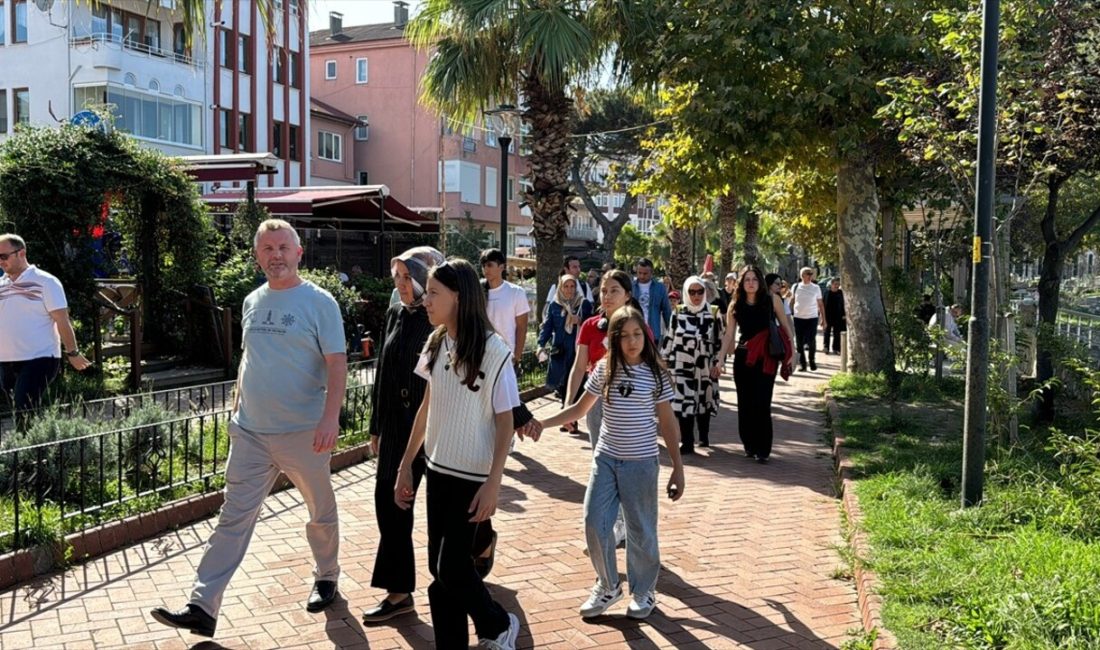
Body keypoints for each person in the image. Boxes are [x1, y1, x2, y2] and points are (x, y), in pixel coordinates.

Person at [151, 220, 347, 637]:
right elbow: (249, 360)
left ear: (298, 253)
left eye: (282, 247)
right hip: (252, 434)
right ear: (257, 256)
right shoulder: (252, 301)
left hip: (303, 432)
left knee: (319, 511)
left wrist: (331, 417)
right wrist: (237, 410)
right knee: (232, 519)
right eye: (266, 249)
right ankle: (202, 605)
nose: (275, 255)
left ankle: (327, 575)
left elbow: (336, 363)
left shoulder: (320, 302)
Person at [395, 259, 524, 649]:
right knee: (440, 572)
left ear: (458, 296)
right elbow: (427, 406)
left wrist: (494, 482)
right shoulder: (436, 342)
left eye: (434, 292)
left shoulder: (494, 350)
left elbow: (506, 421)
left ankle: (498, 624)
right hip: (437, 469)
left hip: (473, 475)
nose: (425, 298)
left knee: (451, 567)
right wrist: (406, 466)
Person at [537, 306, 685, 620]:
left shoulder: (655, 373)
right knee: (594, 521)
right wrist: (542, 424)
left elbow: (668, 423)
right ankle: (608, 585)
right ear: (613, 340)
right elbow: (579, 409)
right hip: (605, 459)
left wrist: (678, 467)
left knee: (641, 531)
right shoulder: (604, 369)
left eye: (637, 335)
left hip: (641, 463)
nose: (632, 342)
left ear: (645, 336)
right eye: (624, 336)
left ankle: (644, 592)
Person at [361, 246, 444, 624]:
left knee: (445, 510)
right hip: (397, 425)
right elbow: (383, 367)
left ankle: (466, 566)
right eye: (396, 277)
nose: (401, 285)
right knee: (390, 505)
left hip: (435, 427)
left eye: (407, 277)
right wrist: (376, 425)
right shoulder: (396, 310)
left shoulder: (440, 316)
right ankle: (399, 592)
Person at [566, 269, 645, 549]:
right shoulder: (590, 326)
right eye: (603, 290)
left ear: (627, 295)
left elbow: (648, 372)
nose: (607, 296)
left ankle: (622, 525)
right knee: (601, 465)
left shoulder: (637, 328)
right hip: (595, 404)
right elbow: (578, 367)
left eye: (614, 290)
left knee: (623, 467)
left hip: (627, 407)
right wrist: (569, 404)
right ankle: (606, 526)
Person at [0, 234, 92, 417]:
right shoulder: (1, 285)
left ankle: (30, 445)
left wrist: (72, 352)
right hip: (6, 360)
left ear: (21, 253)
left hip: (39, 357)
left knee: (24, 408)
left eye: (3, 256)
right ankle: (40, 441)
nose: (0, 262)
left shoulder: (46, 282)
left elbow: (62, 320)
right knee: (20, 409)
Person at [718, 266, 795, 463]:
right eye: (747, 280)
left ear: (760, 282)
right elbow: (729, 334)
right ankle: (749, 445)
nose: (751, 283)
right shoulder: (735, 304)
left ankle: (763, 449)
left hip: (766, 358)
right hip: (743, 358)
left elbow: (785, 326)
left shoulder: (772, 300)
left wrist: (793, 352)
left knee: (762, 402)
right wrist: (719, 359)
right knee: (745, 403)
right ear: (741, 284)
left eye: (754, 279)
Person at [661, 276, 723, 454]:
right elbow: (669, 337)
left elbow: (720, 340)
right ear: (686, 293)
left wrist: (718, 362)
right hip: (680, 365)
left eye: (700, 291)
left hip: (705, 365)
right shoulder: (678, 312)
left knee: (704, 400)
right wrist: (664, 360)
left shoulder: (713, 312)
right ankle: (687, 441)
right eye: (692, 292)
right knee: (683, 403)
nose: (696, 295)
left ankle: (704, 435)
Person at [538, 274, 593, 433]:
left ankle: (570, 419)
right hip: (559, 349)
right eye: (566, 286)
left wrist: (580, 320)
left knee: (574, 381)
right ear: (561, 287)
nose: (569, 290)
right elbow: (547, 326)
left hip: (577, 350)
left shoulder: (583, 304)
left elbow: (591, 325)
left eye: (572, 286)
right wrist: (541, 344)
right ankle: (567, 415)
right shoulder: (555, 305)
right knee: (561, 385)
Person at [480, 249, 530, 365]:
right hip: (482, 357)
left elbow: (522, 328)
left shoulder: (516, 292)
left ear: (501, 267)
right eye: (483, 265)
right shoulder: (478, 291)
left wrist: (516, 357)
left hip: (507, 357)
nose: (486, 269)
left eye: (489, 265)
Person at [791, 267, 826, 372]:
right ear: (802, 275)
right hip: (798, 318)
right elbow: (792, 301)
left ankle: (812, 361)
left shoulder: (816, 288)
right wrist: (786, 314)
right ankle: (803, 364)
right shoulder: (796, 287)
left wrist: (823, 318)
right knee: (799, 342)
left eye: (811, 274)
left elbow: (820, 304)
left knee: (811, 341)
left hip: (812, 318)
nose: (810, 275)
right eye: (808, 274)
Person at [632, 258, 672, 338]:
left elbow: (666, 311)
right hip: (633, 331)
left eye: (645, 273)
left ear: (651, 273)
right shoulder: (630, 286)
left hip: (653, 332)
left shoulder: (660, 288)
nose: (642, 276)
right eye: (639, 273)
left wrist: (671, 331)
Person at [822, 277, 846, 355]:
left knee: (837, 333)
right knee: (826, 332)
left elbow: (844, 305)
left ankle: (836, 348)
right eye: (835, 284)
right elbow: (822, 305)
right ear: (831, 284)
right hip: (828, 316)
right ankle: (826, 347)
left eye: (838, 284)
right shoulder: (827, 293)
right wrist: (822, 317)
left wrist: (844, 315)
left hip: (838, 317)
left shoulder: (841, 293)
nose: (836, 286)